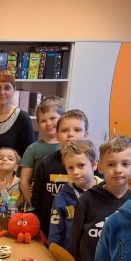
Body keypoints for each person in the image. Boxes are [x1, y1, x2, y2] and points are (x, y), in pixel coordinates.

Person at [71, 135, 131, 261]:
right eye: (111, 164)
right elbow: (75, 243)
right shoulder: (86, 200)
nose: (118, 169)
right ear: (100, 167)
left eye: (125, 164)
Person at [31, 109, 89, 239]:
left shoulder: (92, 166)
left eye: (77, 130)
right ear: (57, 136)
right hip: (48, 230)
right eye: (65, 130)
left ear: (85, 135)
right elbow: (36, 199)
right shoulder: (46, 163)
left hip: (82, 233)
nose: (70, 134)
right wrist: (36, 227)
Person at [48, 140, 101, 251]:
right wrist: (54, 255)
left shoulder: (106, 193)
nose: (75, 172)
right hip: (71, 257)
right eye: (70, 168)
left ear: (95, 164)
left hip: (100, 256)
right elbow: (55, 233)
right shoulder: (62, 198)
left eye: (81, 165)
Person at [19, 96, 64, 204]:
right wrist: (34, 203)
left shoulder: (69, 147)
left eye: (52, 118)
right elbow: (24, 182)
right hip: (40, 202)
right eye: (43, 121)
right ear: (38, 125)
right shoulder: (32, 149)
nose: (48, 123)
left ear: (62, 119)